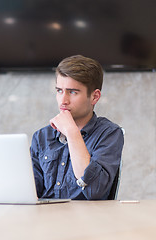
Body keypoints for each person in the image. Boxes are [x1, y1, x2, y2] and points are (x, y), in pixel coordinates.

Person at [30, 55, 124, 200]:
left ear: (94, 97)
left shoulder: (109, 133)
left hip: (88, 220)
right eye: (59, 91)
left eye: (72, 92)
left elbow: (95, 191)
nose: (63, 100)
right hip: (45, 219)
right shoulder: (41, 136)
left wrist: (72, 132)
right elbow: (30, 192)